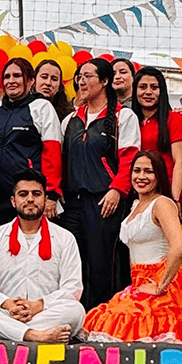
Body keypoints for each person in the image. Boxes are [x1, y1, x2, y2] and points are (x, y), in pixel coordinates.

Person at [83, 150, 182, 343]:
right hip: (138, 282)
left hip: (162, 283)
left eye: (148, 171)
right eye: (137, 170)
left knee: (130, 327)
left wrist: (161, 286)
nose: (141, 176)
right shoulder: (134, 205)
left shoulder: (162, 203)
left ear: (159, 175)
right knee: (108, 322)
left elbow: (179, 248)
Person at [0, 169, 83, 343]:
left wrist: (38, 305)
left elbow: (72, 288)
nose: (30, 199)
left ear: (45, 199)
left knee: (75, 311)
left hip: (43, 313)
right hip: (3, 312)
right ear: (13, 201)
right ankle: (33, 335)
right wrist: (7, 303)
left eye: (36, 194)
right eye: (23, 194)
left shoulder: (65, 238)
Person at [57, 58, 140, 309]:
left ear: (104, 81)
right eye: (79, 77)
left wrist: (117, 190)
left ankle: (103, 317)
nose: (81, 82)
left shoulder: (123, 116)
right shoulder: (70, 120)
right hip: (73, 204)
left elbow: (130, 159)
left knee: (102, 263)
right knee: (73, 264)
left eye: (88, 76)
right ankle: (75, 315)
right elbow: (60, 161)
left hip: (105, 202)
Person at [0, 57, 62, 228]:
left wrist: (51, 194)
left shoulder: (42, 107)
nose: (11, 81)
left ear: (30, 81)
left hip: (28, 195)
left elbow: (53, 153)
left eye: (17, 76)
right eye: (7, 76)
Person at [132, 66, 182, 211]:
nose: (148, 92)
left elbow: (180, 161)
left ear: (162, 91)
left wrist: (174, 198)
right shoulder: (129, 121)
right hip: (139, 193)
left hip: (167, 192)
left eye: (154, 87)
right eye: (143, 87)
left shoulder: (175, 119)